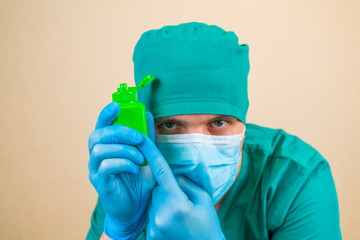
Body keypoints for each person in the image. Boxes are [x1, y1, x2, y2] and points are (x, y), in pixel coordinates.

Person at [86, 22, 341, 240]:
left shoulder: (295, 177)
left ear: (242, 124)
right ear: (144, 127)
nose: (197, 151)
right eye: (170, 125)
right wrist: (121, 229)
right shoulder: (129, 179)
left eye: (218, 123)